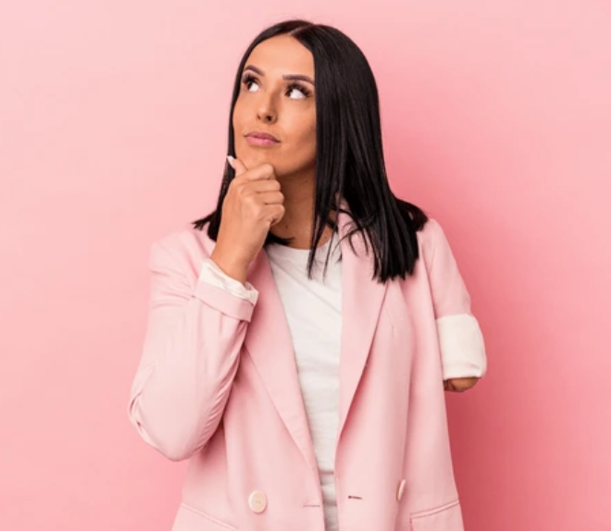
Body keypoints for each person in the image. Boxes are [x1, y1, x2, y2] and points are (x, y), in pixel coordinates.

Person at [126, 18, 487, 531]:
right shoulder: (184, 258)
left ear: (340, 116)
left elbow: (461, 370)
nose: (263, 107)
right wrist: (229, 259)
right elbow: (170, 431)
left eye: (296, 91)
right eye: (251, 83)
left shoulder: (411, 242)